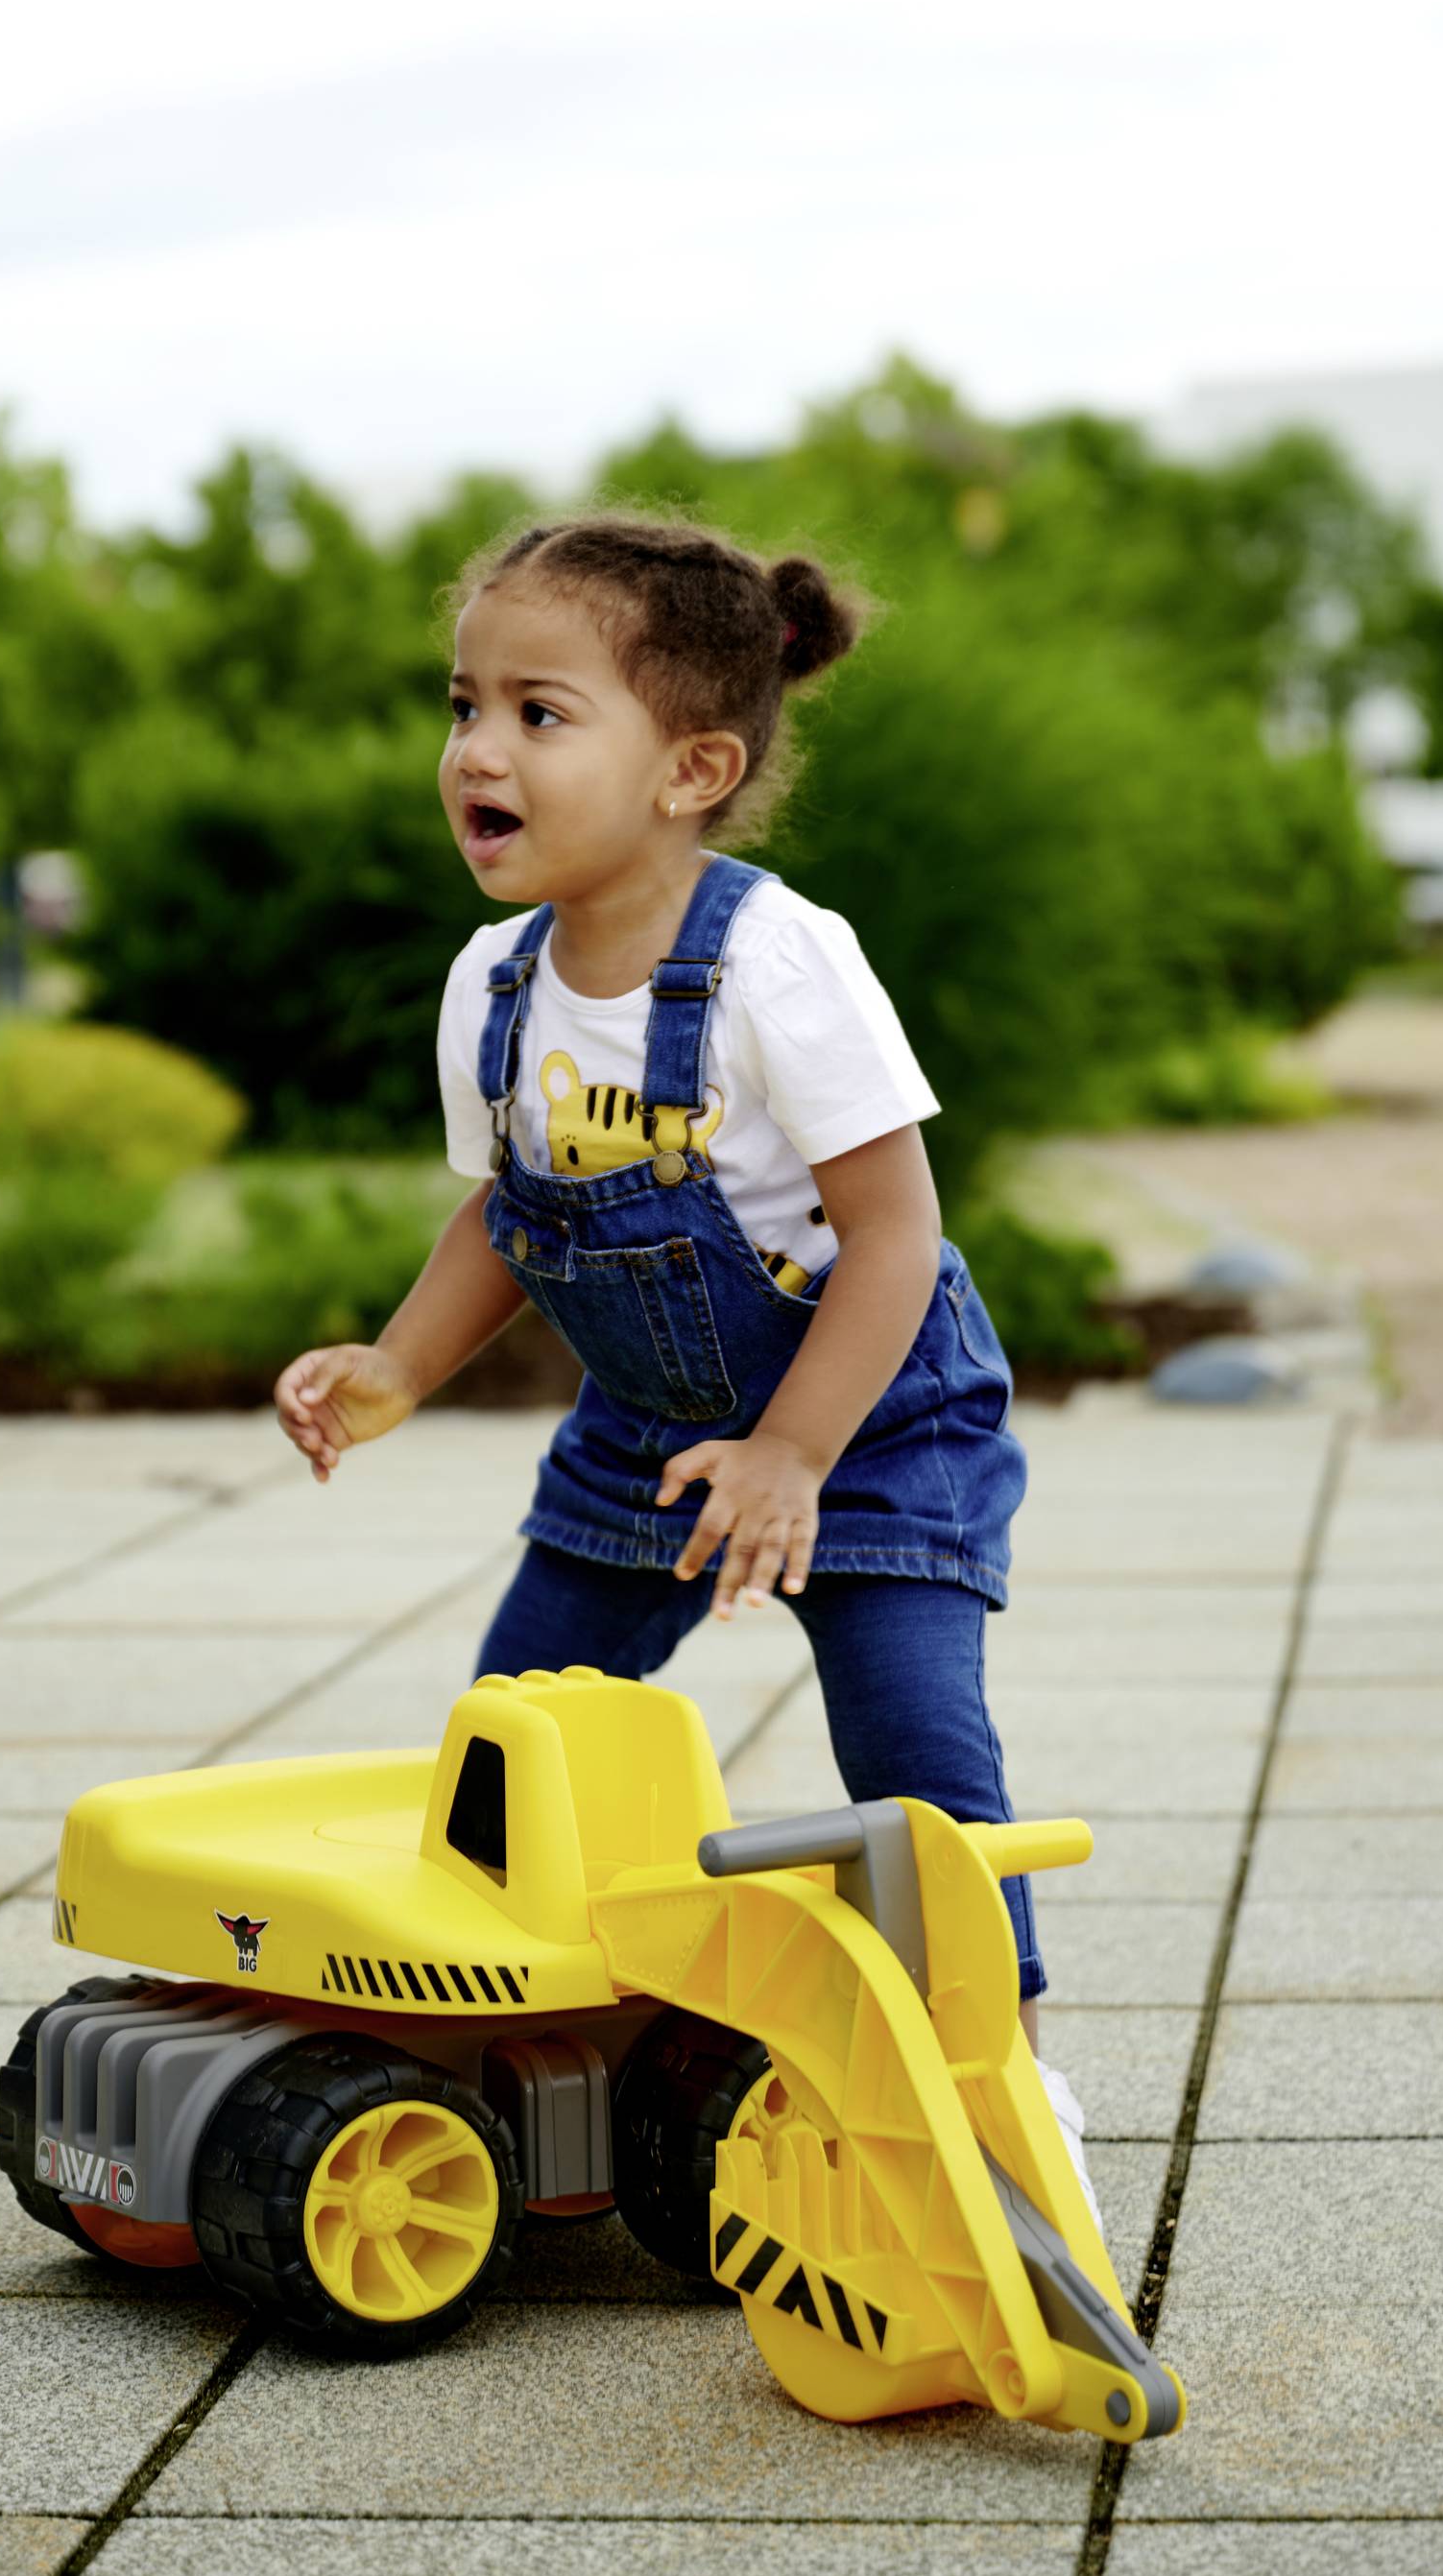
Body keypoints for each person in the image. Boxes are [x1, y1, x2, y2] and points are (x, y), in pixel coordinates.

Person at [272, 509, 1102, 2231]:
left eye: (539, 712)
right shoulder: (495, 985)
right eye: (463, 704)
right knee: (519, 1742)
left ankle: (997, 2069)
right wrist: (397, 1368)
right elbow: (514, 1210)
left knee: (915, 1750)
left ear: (692, 765)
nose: (476, 750)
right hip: (644, 1433)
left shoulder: (779, 965)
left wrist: (797, 1454)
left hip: (871, 1425)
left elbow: (891, 1237)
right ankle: (544, 2034)